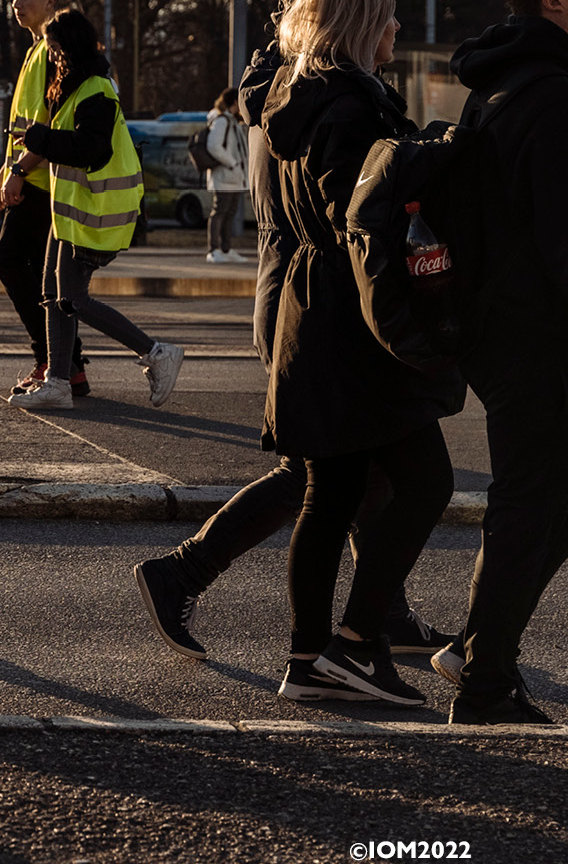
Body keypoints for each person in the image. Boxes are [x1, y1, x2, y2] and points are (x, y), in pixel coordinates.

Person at [132, 44, 451, 663]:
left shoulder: (277, 94)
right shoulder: (314, 97)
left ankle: (385, 616)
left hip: (293, 288)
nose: (396, 26)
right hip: (313, 298)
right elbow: (347, 214)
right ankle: (182, 575)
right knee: (320, 472)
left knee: (361, 469)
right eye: (382, 14)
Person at [254, 0, 464, 706]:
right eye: (389, 15)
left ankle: (310, 661)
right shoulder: (352, 108)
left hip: (310, 316)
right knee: (426, 482)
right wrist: (435, 158)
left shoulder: (296, 97)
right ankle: (352, 641)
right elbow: (362, 217)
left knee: (330, 494)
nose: (398, 29)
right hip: (355, 322)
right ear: (361, 24)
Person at [442, 0, 568, 724]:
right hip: (540, 332)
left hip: (503, 325)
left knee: (546, 495)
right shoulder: (553, 94)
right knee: (534, 495)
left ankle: (479, 650)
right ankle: (485, 678)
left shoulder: (500, 83)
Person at [6, 11, 183, 411]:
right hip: (71, 208)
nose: (52, 59)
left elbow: (91, 148)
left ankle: (156, 353)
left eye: (55, 50)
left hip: (96, 207)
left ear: (70, 47)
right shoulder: (73, 87)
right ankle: (58, 383)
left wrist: (40, 138)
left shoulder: (95, 88)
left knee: (72, 298)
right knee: (54, 295)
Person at [0, 0, 88, 397]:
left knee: (11, 263)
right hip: (29, 178)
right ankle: (68, 366)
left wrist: (19, 173)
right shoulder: (34, 52)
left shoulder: (53, 52)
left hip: (44, 183)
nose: (16, 3)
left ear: (51, 1)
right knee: (38, 276)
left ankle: (56, 362)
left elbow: (51, 127)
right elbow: (23, 126)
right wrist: (1, 175)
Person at [204, 86, 250, 264]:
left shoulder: (232, 120)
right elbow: (213, 146)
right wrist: (232, 163)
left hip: (233, 178)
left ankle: (225, 249)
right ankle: (213, 250)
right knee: (219, 212)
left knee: (229, 213)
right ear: (234, 101)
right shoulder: (222, 120)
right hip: (225, 176)